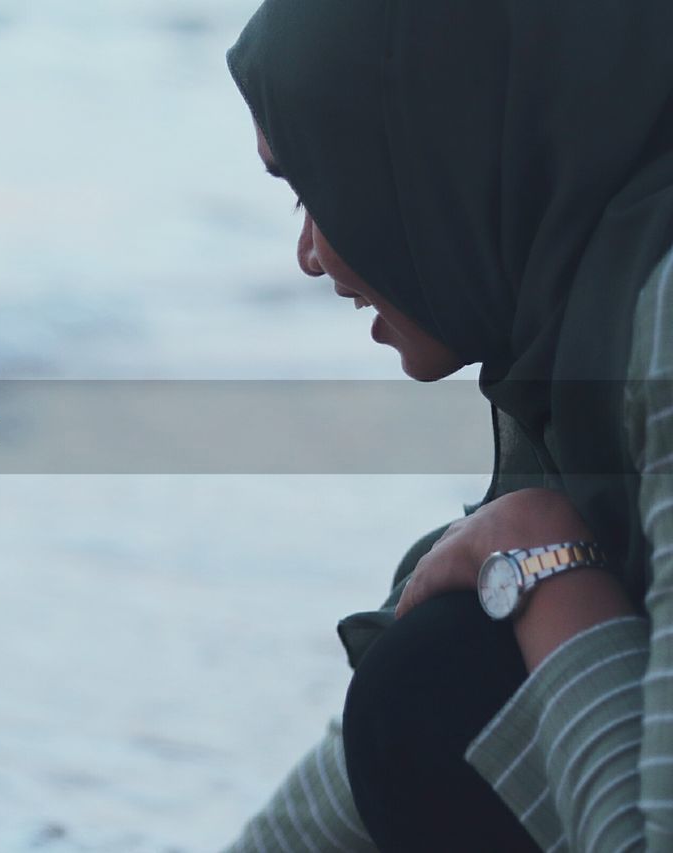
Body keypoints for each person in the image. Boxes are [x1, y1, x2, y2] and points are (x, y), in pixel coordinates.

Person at [217, 0, 673, 850]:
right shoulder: (583, 328)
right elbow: (336, 796)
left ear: (438, 147)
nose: (310, 254)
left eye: (317, 187)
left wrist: (541, 556)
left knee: (446, 667)